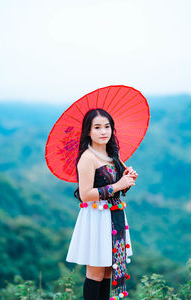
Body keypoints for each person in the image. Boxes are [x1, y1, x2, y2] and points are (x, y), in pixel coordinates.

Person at [66, 108, 138, 300]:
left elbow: (117, 189)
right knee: (96, 272)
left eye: (107, 126)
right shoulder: (87, 158)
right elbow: (86, 194)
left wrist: (126, 181)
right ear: (88, 131)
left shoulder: (112, 155)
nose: (103, 131)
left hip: (115, 217)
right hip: (96, 218)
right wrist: (117, 185)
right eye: (97, 127)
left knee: (108, 270)